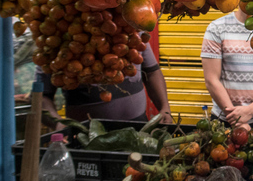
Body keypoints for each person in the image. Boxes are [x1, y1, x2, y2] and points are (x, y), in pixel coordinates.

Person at [39, 42, 172, 127]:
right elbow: (41, 96)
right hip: (86, 137)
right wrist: (58, 124)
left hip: (139, 128)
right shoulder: (56, 38)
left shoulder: (134, 30)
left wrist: (164, 107)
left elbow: (152, 71)